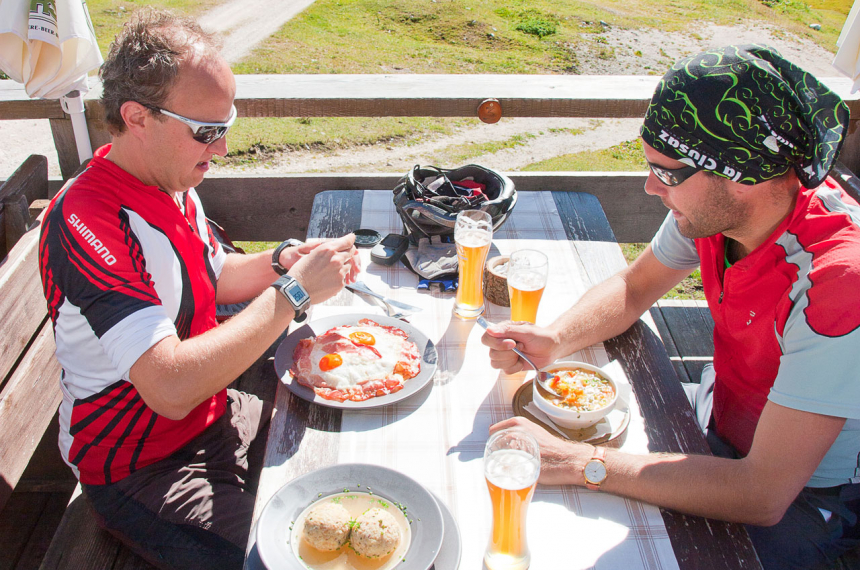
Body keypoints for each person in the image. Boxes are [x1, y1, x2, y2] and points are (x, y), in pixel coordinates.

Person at [482, 44, 860, 569]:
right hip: (721, 427)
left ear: (739, 174)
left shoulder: (839, 283)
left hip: (809, 494)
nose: (649, 187)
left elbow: (762, 494)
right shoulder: (713, 210)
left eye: (666, 173)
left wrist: (580, 462)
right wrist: (557, 337)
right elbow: (634, 286)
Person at [37, 9, 360, 570]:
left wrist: (282, 262)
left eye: (226, 124)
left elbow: (210, 275)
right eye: (207, 131)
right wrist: (294, 294)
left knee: (344, 452)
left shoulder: (171, 180)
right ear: (137, 117)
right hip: (140, 468)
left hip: (214, 415)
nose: (223, 147)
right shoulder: (89, 220)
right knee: (301, 555)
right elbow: (168, 385)